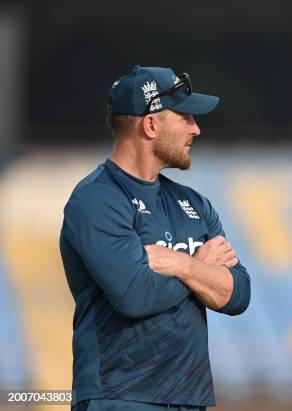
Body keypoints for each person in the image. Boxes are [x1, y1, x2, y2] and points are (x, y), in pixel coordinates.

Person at [60, 66, 251, 411]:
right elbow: (135, 296)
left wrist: (179, 264)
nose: (197, 128)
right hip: (120, 397)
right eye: (186, 118)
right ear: (150, 125)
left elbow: (238, 294)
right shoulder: (96, 199)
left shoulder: (193, 203)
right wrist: (202, 269)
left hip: (189, 398)